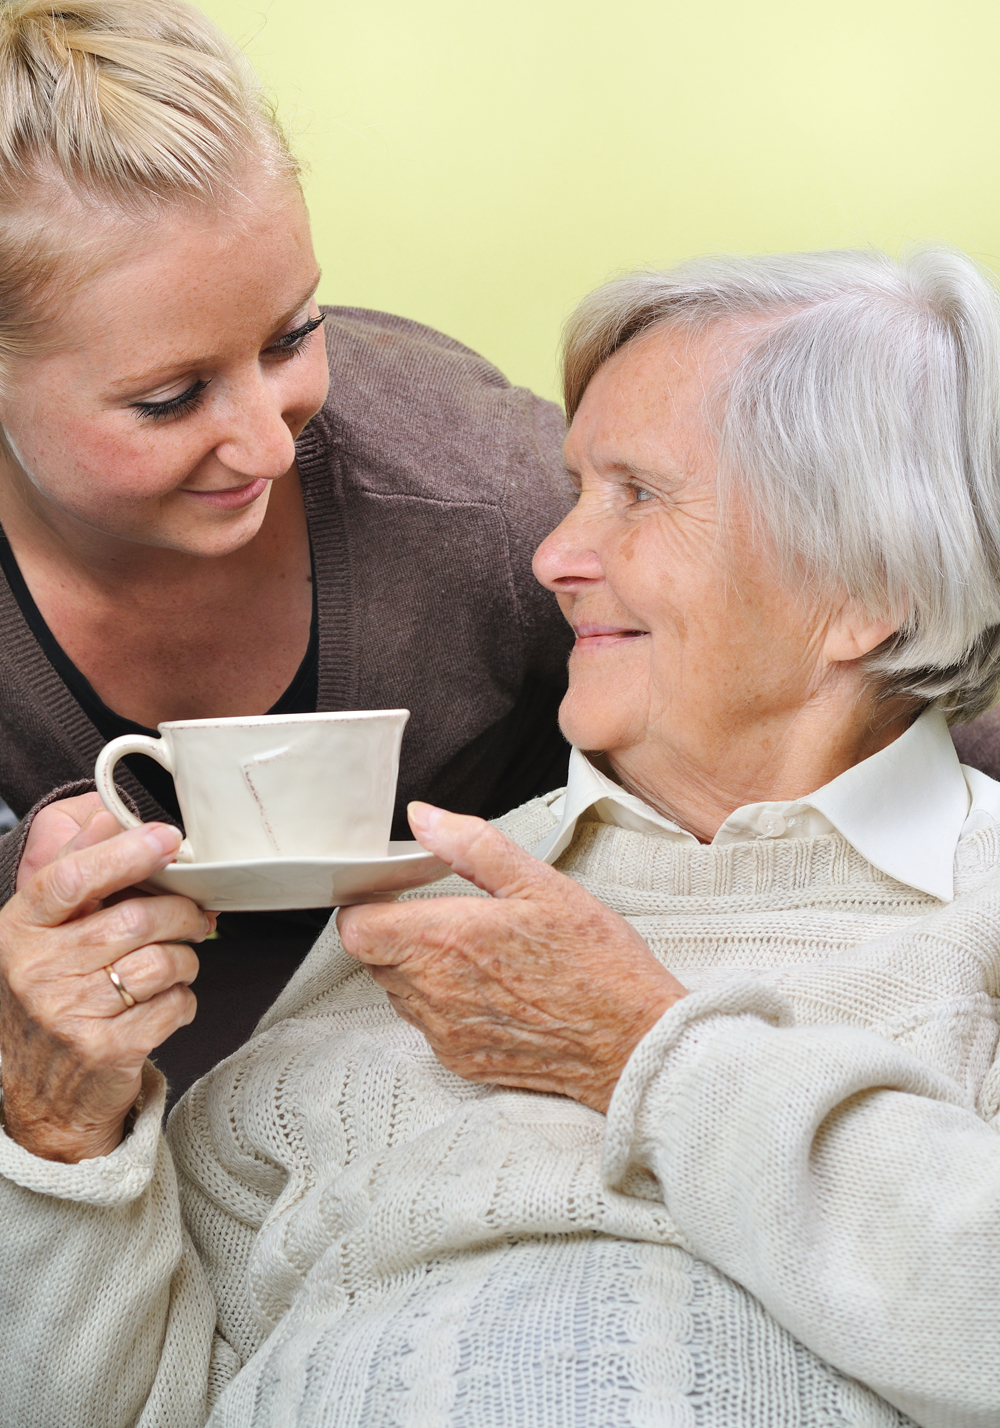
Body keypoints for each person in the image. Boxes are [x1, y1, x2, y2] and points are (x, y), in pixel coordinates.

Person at [4, 245, 1000, 1428]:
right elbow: (109, 1408)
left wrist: (642, 1053)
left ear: (866, 585)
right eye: (576, 487)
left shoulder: (972, 905)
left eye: (637, 493)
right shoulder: (431, 908)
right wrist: (59, 1131)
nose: (551, 557)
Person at [0, 0, 575, 1087]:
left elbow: (908, 711)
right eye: (171, 399)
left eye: (292, 336)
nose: (268, 446)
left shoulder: (488, 496)